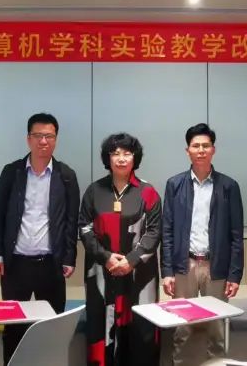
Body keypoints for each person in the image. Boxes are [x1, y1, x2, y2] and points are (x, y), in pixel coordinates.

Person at [0, 113, 81, 365]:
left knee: (51, 327)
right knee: (13, 327)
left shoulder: (66, 175)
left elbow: (71, 220)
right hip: (15, 264)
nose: (43, 141)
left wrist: (69, 257)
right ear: (28, 139)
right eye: (38, 136)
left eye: (49, 136)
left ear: (56, 139)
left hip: (50, 264)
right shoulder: (12, 172)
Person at [161, 123, 245, 365]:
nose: (200, 150)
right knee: (182, 327)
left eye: (205, 146)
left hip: (216, 267)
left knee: (216, 329)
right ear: (187, 150)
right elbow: (167, 231)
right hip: (184, 265)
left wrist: (235, 274)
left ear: (213, 150)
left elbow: (236, 234)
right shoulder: (174, 185)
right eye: (195, 145)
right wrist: (167, 271)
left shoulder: (228, 186)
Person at [79, 133, 161, 366]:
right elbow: (84, 228)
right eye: (115, 153)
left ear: (135, 158)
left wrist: (131, 260)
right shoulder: (94, 191)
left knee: (141, 332)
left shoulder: (148, 192)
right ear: (108, 158)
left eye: (127, 153)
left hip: (138, 277)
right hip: (103, 275)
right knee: (102, 331)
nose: (121, 158)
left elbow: (154, 232)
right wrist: (106, 258)